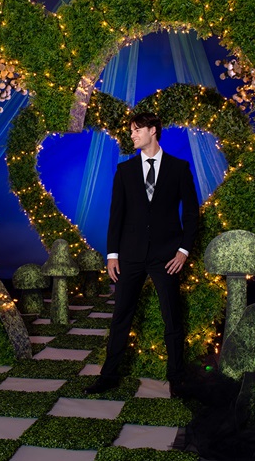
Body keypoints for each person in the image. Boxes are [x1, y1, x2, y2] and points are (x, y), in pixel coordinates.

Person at [85, 112, 199, 397]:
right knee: (120, 317)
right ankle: (108, 376)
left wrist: (183, 251)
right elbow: (116, 216)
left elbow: (192, 214)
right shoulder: (124, 170)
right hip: (130, 255)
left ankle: (177, 378)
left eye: (137, 130)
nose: (132, 135)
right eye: (131, 131)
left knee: (172, 317)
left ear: (153, 131)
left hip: (167, 257)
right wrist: (112, 255)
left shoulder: (179, 168)